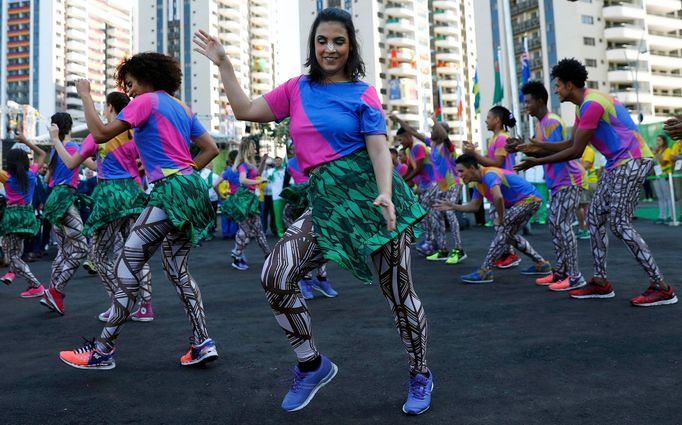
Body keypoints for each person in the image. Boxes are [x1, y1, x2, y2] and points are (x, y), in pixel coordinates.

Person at [194, 7, 432, 415]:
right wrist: (224, 65)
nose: (330, 48)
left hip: (370, 199)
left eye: (339, 40)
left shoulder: (362, 93)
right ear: (313, 45)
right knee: (275, 274)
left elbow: (378, 148)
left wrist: (387, 193)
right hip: (325, 202)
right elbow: (245, 110)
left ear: (351, 45)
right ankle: (312, 364)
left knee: (398, 294)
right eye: (322, 40)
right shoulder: (296, 89)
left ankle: (420, 374)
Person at [59, 51, 221, 369]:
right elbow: (210, 149)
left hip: (169, 192)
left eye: (130, 83)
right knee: (178, 271)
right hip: (191, 190)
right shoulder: (181, 107)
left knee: (127, 263)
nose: (129, 91)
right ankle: (202, 342)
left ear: (145, 78)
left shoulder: (146, 101)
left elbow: (103, 133)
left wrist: (85, 96)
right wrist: (183, 172)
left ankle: (103, 350)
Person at [513, 58, 677, 307]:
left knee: (619, 224)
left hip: (633, 161)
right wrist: (536, 147)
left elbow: (576, 151)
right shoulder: (583, 106)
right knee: (594, 218)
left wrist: (536, 160)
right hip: (617, 164)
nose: (556, 90)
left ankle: (662, 287)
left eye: (558, 85)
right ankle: (600, 282)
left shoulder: (591, 104)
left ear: (569, 85)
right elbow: (570, 143)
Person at [50, 91, 154, 323]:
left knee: (98, 255)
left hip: (110, 196)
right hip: (133, 194)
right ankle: (145, 306)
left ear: (109, 108)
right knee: (136, 252)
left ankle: (119, 304)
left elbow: (69, 163)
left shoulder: (97, 135)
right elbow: (144, 163)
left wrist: (56, 139)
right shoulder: (133, 133)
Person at [436, 155, 551, 283]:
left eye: (461, 171)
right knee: (508, 235)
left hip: (530, 199)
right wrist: (452, 206)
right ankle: (541, 263)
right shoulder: (478, 184)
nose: (459, 175)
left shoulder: (489, 174)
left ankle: (485, 271)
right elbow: (474, 206)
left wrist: (501, 219)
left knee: (503, 230)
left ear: (473, 168)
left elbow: (498, 197)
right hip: (525, 201)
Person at [520, 81, 586, 292]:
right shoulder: (541, 125)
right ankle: (562, 271)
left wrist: (533, 153)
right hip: (557, 184)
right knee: (555, 225)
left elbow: (558, 153)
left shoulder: (551, 122)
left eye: (529, 102)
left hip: (569, 181)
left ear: (540, 101)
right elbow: (543, 152)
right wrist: (523, 149)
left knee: (562, 224)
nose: (526, 106)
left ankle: (575, 276)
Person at [40, 113, 90, 315]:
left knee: (62, 251)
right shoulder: (71, 148)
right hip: (65, 197)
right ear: (69, 127)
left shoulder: (55, 150)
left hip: (53, 199)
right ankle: (56, 290)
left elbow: (46, 179)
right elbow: (91, 166)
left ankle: (50, 294)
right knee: (80, 248)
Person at [462, 106, 521, 269]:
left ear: (497, 120)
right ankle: (505, 253)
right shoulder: (495, 138)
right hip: (499, 183)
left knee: (503, 222)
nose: (486, 120)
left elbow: (497, 163)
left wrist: (475, 155)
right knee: (499, 222)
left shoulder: (502, 138)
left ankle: (510, 254)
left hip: (503, 184)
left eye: (488, 117)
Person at [0, 133, 47, 297]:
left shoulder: (6, 177)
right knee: (17, 250)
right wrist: (27, 141)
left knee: (10, 254)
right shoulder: (32, 173)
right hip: (28, 216)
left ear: (9, 163)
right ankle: (12, 273)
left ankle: (36, 285)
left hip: (12, 217)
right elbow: (42, 154)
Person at [215, 138, 271, 271]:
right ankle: (238, 256)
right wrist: (259, 181)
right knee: (247, 230)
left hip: (248, 199)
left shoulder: (249, 164)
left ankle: (266, 256)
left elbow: (257, 174)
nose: (256, 150)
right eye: (253, 147)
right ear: (248, 149)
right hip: (242, 201)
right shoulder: (242, 165)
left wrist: (262, 161)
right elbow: (243, 180)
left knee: (255, 229)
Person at [395, 120, 436, 256]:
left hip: (431, 184)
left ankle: (432, 242)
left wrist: (402, 181)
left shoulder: (418, 147)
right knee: (426, 215)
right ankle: (430, 241)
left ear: (408, 136)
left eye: (401, 139)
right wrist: (400, 180)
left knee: (426, 215)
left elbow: (418, 169)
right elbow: (410, 169)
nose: (400, 143)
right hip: (423, 185)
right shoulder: (408, 150)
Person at [575, 145, 599, 240]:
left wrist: (570, 167)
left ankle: (585, 230)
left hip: (588, 182)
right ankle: (585, 229)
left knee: (582, 206)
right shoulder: (579, 149)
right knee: (580, 206)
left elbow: (586, 165)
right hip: (582, 182)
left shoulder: (588, 150)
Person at [262, 156, 286, 237]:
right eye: (276, 161)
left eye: (279, 161)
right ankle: (280, 231)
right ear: (274, 162)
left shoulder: (285, 170)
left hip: (286, 195)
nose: (278, 162)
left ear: (281, 161)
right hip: (276, 196)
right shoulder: (271, 171)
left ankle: (288, 230)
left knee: (286, 214)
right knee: (278, 215)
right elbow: (264, 176)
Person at [652, 134, 673, 224]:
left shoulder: (668, 150)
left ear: (664, 141)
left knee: (668, 196)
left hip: (665, 175)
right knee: (660, 197)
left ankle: (671, 216)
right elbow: (652, 163)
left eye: (659, 140)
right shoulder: (656, 151)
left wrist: (656, 153)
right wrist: (654, 153)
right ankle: (662, 215)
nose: (657, 142)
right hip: (656, 175)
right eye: (657, 140)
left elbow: (663, 163)